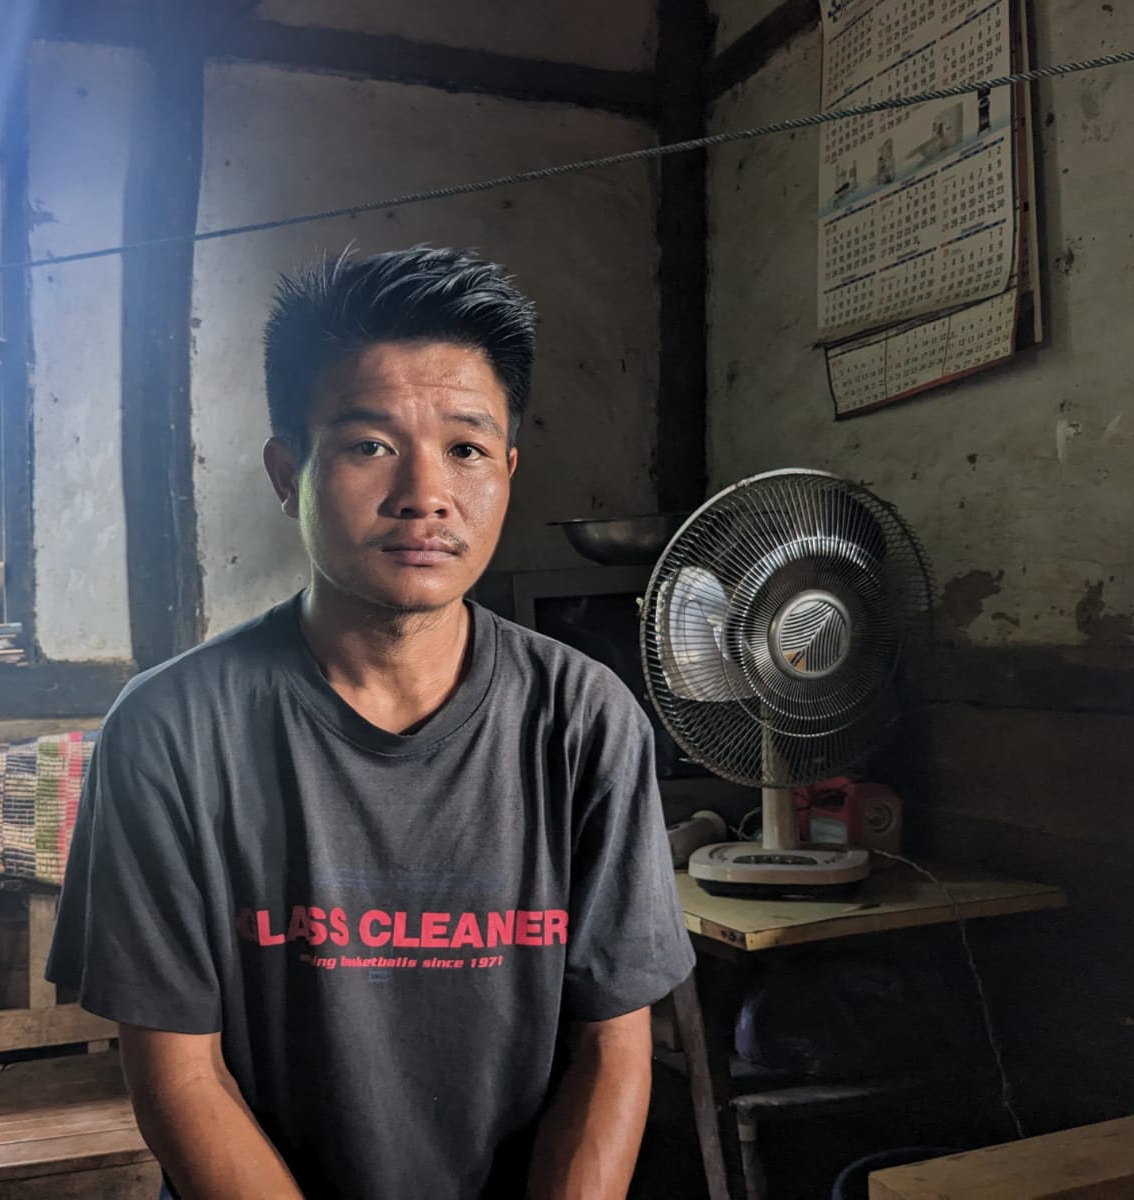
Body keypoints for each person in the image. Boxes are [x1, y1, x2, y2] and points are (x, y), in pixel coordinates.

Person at [47, 245, 695, 1200]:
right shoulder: (172, 731)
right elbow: (181, 1074)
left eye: (467, 449)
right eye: (368, 445)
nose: (424, 495)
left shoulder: (585, 720)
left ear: (507, 472)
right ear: (286, 471)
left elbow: (613, 1052)